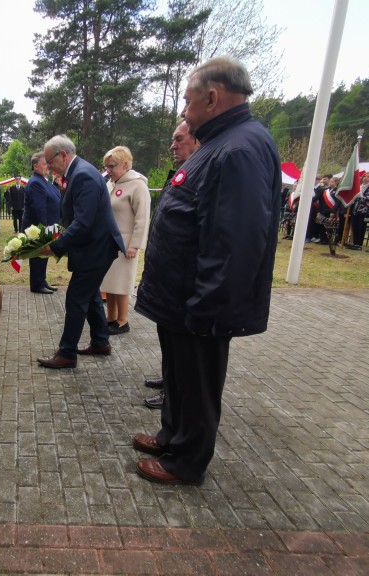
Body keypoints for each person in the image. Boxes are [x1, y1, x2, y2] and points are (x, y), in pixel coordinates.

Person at [133, 57, 281, 485]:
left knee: (197, 382)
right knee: (179, 376)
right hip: (179, 300)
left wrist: (207, 307)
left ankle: (186, 461)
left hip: (199, 305)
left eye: (187, 99)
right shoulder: (219, 143)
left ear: (212, 98)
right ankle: (172, 436)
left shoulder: (238, 150)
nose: (183, 109)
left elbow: (235, 241)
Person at [36, 135, 125, 369]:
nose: (48, 167)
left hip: (97, 249)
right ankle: (101, 342)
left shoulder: (83, 175)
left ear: (63, 155)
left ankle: (67, 354)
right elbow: (74, 216)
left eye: (50, 161)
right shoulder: (76, 172)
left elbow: (83, 223)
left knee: (76, 298)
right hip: (94, 246)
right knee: (91, 294)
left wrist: (54, 247)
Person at [143, 120, 200, 410]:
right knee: (166, 335)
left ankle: (174, 393)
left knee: (180, 343)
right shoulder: (179, 172)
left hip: (182, 277)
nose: (172, 146)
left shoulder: (200, 173)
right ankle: (169, 379)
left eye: (179, 139)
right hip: (166, 274)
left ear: (197, 140)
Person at [100, 146, 151, 336]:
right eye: (106, 167)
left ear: (125, 164)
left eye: (111, 166)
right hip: (109, 243)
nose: (108, 170)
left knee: (121, 284)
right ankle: (111, 317)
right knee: (110, 282)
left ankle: (123, 321)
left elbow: (142, 218)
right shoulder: (110, 184)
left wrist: (135, 245)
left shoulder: (138, 185)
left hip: (126, 244)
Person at [22, 153, 61, 294]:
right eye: (45, 164)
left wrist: (56, 184)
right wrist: (44, 230)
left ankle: (42, 281)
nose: (48, 167)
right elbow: (39, 209)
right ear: (35, 166)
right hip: (39, 227)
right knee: (38, 255)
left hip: (48, 226)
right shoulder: (36, 183)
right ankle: (37, 284)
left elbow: (54, 196)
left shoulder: (43, 180)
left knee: (43, 255)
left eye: (48, 164)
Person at [349, 171, 369, 250]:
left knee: (361, 227)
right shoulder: (360, 186)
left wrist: (360, 196)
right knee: (354, 227)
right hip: (355, 209)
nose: (366, 178)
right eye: (364, 176)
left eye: (368, 176)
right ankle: (354, 243)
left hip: (364, 211)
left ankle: (359, 244)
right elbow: (354, 198)